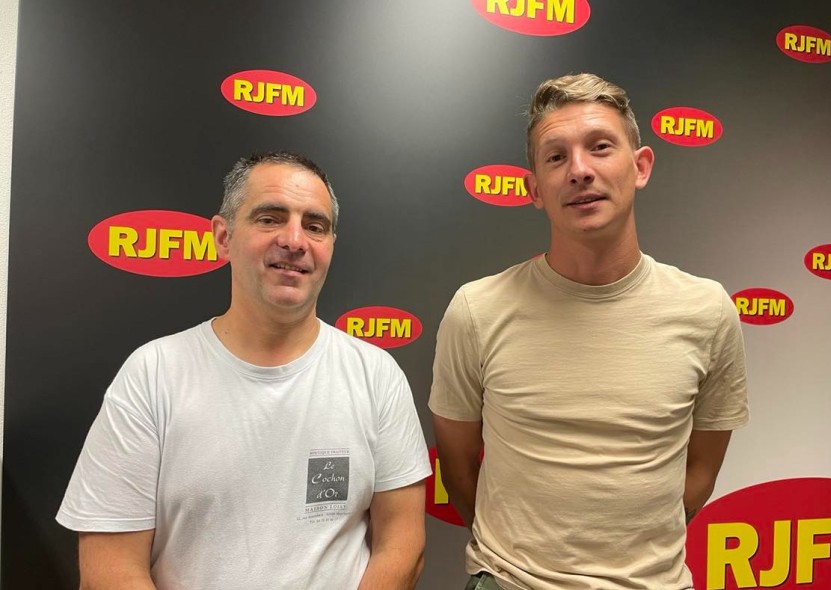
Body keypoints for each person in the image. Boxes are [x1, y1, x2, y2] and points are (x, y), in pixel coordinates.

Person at [429, 74, 749, 590]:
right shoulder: (477, 310)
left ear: (640, 166)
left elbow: (700, 474)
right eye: (556, 157)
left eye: (600, 147)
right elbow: (459, 469)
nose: (579, 170)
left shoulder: (707, 311)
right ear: (535, 190)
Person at [57, 151, 431, 590]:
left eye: (315, 226)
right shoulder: (153, 375)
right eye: (270, 219)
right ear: (223, 237)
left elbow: (402, 544)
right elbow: (110, 569)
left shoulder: (377, 375)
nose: (295, 240)